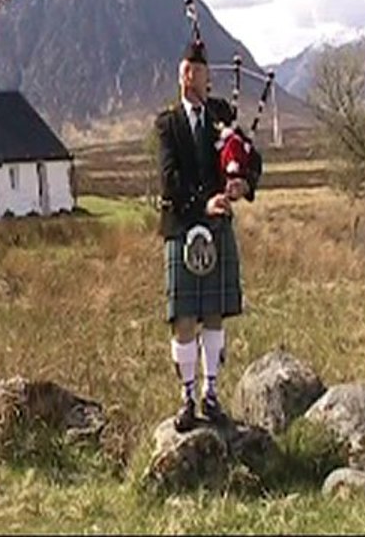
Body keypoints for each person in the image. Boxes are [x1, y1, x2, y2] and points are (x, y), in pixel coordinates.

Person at [155, 32, 262, 432]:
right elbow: (169, 179)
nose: (199, 79)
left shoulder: (220, 114)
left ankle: (211, 395)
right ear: (183, 77)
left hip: (217, 227)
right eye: (192, 72)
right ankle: (186, 398)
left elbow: (251, 157)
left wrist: (241, 184)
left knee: (214, 314)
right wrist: (204, 203)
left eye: (201, 72)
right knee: (184, 317)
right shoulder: (168, 123)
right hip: (184, 225)